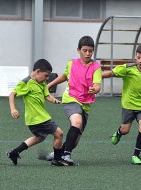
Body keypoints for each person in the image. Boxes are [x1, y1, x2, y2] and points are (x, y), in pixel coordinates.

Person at [102, 42, 141, 165]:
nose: (140, 61)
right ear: (135, 56)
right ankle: (118, 133)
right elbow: (111, 73)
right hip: (128, 105)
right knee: (125, 130)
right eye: (138, 57)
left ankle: (136, 155)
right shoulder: (127, 68)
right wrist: (96, 78)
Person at [46, 36, 102, 165]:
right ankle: (66, 156)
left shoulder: (96, 67)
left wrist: (96, 89)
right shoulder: (72, 63)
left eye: (90, 51)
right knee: (76, 122)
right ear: (78, 50)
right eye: (85, 50)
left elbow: (97, 84)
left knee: (75, 141)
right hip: (71, 97)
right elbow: (65, 76)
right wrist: (48, 86)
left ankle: (58, 153)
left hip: (86, 104)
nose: (88, 53)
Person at [6, 59, 67, 166]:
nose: (47, 79)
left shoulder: (41, 82)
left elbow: (46, 95)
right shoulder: (26, 82)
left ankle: (15, 152)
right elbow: (12, 94)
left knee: (39, 138)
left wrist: (54, 100)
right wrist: (13, 109)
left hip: (35, 120)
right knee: (59, 134)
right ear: (37, 71)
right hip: (38, 118)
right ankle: (57, 159)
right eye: (46, 75)